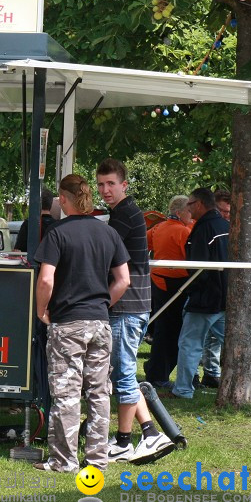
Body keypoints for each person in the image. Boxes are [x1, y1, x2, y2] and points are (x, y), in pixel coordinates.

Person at [33, 174, 130, 473]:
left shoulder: (56, 233)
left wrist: (41, 310)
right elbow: (124, 279)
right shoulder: (108, 233)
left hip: (67, 323)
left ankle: (64, 460)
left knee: (66, 393)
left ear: (63, 199)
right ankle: (98, 459)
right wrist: (103, 304)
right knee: (99, 393)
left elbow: (46, 279)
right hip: (100, 323)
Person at [96, 158, 174, 465]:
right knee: (123, 370)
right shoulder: (122, 213)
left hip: (127, 305)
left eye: (111, 184)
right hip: (133, 303)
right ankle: (150, 433)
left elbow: (106, 259)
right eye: (101, 184)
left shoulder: (124, 216)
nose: (105, 190)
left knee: (124, 372)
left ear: (124, 185)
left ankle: (124, 442)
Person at [171, 188, 251, 405]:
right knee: (235, 344)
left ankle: (182, 389)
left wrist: (195, 291)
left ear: (199, 204)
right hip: (226, 299)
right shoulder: (227, 227)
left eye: (190, 204)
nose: (188, 209)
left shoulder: (203, 229)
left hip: (204, 300)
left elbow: (197, 267)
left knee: (190, 344)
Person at [143, 195, 192, 388]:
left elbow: (144, 243)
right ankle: (158, 373)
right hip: (176, 284)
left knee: (164, 330)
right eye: (189, 211)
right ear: (179, 212)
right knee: (173, 332)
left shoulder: (158, 227)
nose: (191, 214)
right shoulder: (183, 232)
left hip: (158, 281)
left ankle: (156, 369)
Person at [197, 188, 233, 389]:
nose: (225, 215)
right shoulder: (206, 227)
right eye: (222, 210)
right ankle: (200, 374)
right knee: (197, 338)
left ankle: (209, 373)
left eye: (228, 212)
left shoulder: (230, 229)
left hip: (219, 293)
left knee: (211, 338)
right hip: (207, 291)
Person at [14, 188, 56, 252]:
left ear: (35, 203)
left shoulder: (28, 224)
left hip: (30, 261)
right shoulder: (57, 225)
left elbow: (17, 250)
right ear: (51, 203)